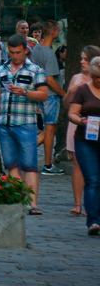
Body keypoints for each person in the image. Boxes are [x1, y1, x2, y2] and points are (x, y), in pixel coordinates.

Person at [0, 34, 49, 214]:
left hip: (25, 123)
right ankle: (20, 200)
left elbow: (44, 94)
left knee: (29, 164)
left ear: (26, 50)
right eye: (12, 52)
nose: (15, 56)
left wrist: (25, 92)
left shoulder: (35, 70)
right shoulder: (2, 69)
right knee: (11, 165)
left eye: (18, 52)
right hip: (5, 124)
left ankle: (33, 204)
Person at [67, 54, 100, 235]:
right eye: (95, 77)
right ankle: (93, 221)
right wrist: (80, 121)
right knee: (93, 179)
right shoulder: (82, 90)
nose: (98, 81)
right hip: (86, 139)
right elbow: (72, 113)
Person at [29, 19, 66, 174]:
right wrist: (64, 94)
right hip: (50, 95)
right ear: (55, 31)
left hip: (40, 92)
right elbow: (50, 79)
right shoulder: (49, 53)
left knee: (49, 129)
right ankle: (47, 164)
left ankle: (25, 151)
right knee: (50, 129)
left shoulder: (36, 49)